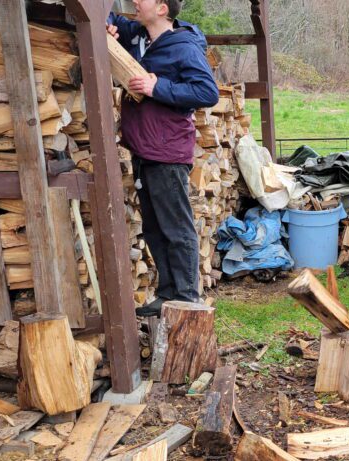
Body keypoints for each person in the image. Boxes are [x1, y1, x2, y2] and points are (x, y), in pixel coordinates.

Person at [106, 0, 219, 316]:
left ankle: (185, 297)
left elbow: (207, 92)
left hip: (167, 148)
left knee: (175, 226)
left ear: (161, 8)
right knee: (155, 227)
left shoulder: (183, 46)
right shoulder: (137, 35)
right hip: (144, 148)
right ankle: (167, 294)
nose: (134, 2)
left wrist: (158, 87)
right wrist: (107, 24)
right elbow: (105, 14)